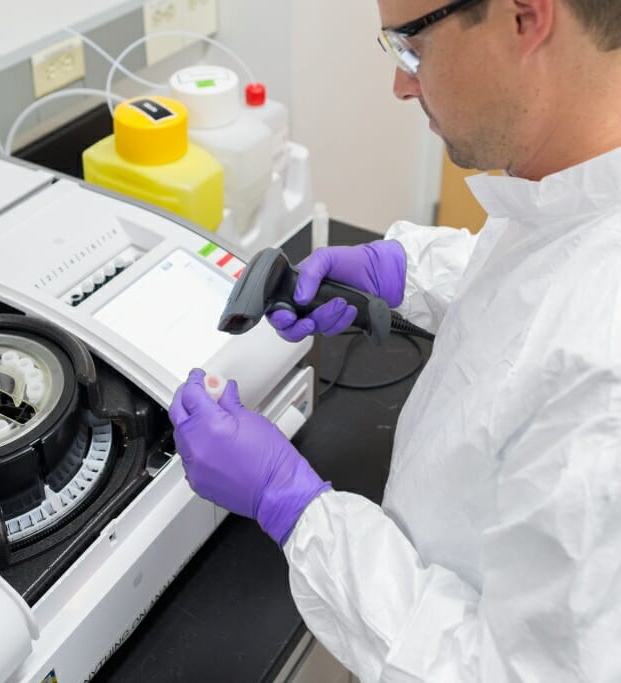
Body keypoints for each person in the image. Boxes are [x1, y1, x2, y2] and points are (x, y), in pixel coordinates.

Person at [169, 0, 621, 680]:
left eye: (411, 44)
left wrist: (296, 509)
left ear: (526, 18)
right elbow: (541, 278)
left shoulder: (603, 390)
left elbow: (497, 670)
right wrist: (402, 273)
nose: (401, 83)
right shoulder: (577, 186)